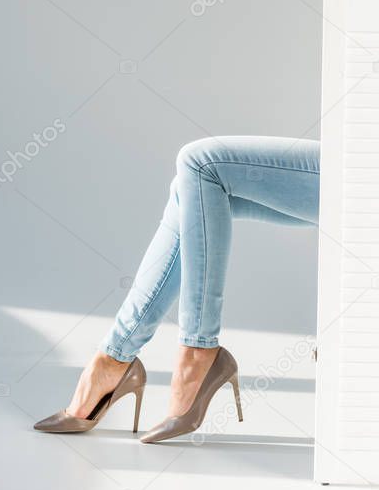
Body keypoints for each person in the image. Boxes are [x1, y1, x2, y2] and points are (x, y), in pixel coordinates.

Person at [34, 135, 320, 443]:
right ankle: (114, 357)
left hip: (373, 166)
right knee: (189, 187)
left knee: (200, 162)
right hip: (363, 155)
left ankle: (193, 351)